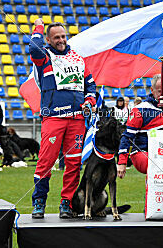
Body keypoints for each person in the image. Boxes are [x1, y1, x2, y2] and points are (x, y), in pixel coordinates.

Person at [29, 20, 97, 219]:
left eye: (63, 36)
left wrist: (89, 102)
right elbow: (33, 46)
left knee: (74, 163)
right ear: (48, 40)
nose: (61, 40)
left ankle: (66, 203)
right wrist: (38, 27)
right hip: (54, 118)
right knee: (45, 162)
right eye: (56, 37)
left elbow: (90, 86)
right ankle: (39, 202)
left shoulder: (78, 59)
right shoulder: (44, 57)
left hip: (76, 121)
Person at [117, 74, 163, 177]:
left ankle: (160, 192)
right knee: (159, 165)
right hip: (142, 151)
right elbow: (127, 136)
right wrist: (122, 162)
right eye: (160, 91)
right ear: (152, 90)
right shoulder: (140, 109)